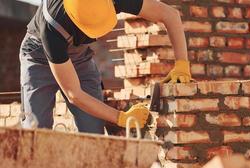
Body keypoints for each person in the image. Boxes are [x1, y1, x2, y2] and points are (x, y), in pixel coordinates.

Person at [20, 0, 192, 134]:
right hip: (38, 57)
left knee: (93, 129)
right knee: (36, 130)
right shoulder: (52, 29)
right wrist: (122, 117)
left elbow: (170, 15)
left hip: (79, 59)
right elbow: (74, 94)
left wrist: (182, 64)